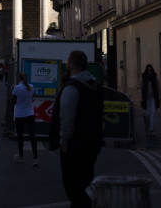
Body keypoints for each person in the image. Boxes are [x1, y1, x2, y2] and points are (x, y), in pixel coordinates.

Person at [50, 50, 103, 208]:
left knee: (73, 187)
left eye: (68, 62)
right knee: (86, 182)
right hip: (92, 142)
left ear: (72, 64)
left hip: (75, 145)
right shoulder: (94, 85)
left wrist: (63, 141)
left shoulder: (72, 88)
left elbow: (67, 119)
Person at [12, 73, 38, 166]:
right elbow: (32, 97)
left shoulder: (16, 88)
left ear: (19, 78)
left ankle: (21, 156)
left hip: (19, 114)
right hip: (30, 113)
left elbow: (13, 101)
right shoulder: (31, 86)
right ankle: (35, 158)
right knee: (32, 136)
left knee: (20, 136)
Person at [141, 64, 160, 135]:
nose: (149, 72)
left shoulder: (155, 78)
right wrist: (141, 97)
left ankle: (151, 128)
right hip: (146, 98)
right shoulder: (143, 78)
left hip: (153, 97)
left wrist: (159, 97)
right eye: (148, 70)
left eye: (150, 70)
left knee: (153, 112)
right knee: (147, 113)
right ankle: (148, 126)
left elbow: (158, 88)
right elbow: (141, 87)